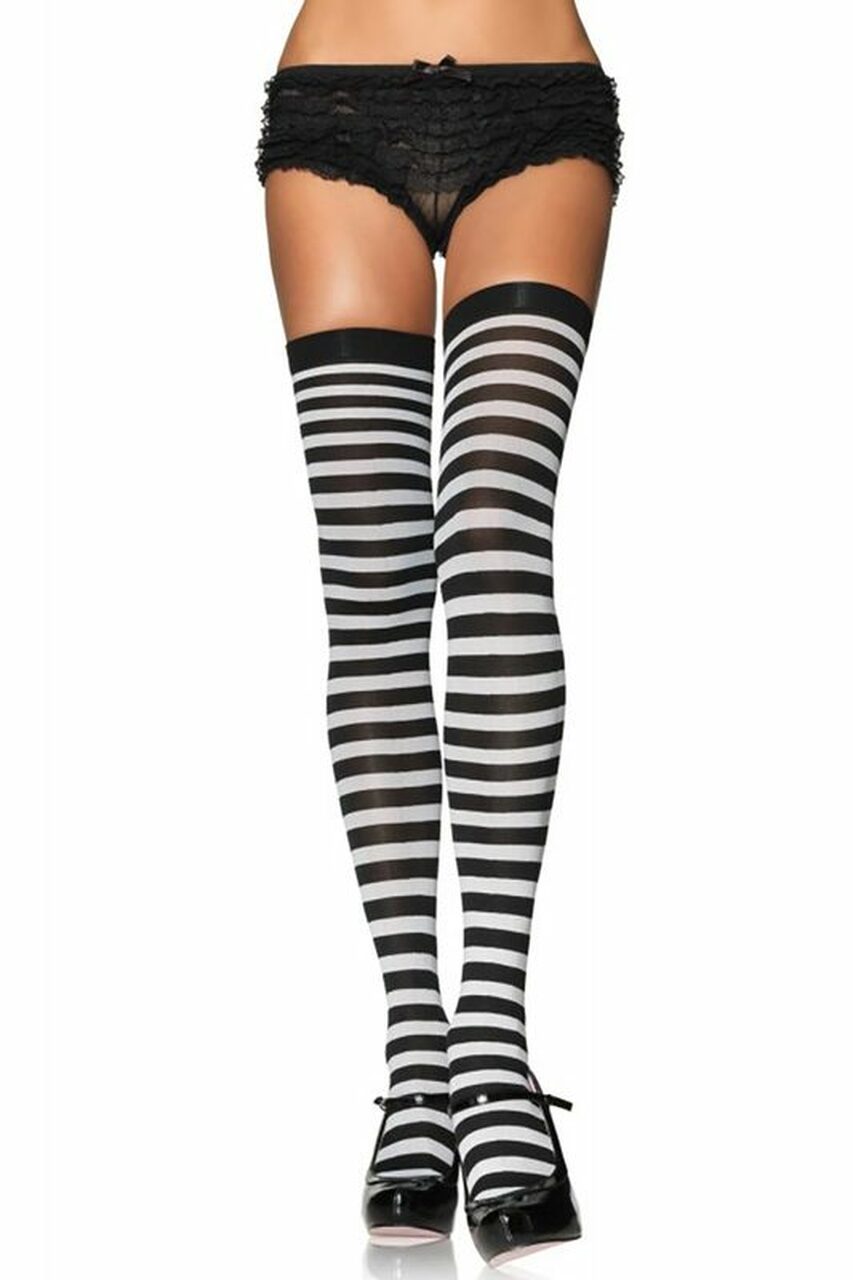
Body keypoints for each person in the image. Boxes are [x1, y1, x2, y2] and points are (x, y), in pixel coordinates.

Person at [255, 0, 624, 1264]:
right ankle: (419, 1051)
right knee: (370, 578)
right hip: (332, 112)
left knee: (492, 520)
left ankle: (495, 1045)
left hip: (537, 107)